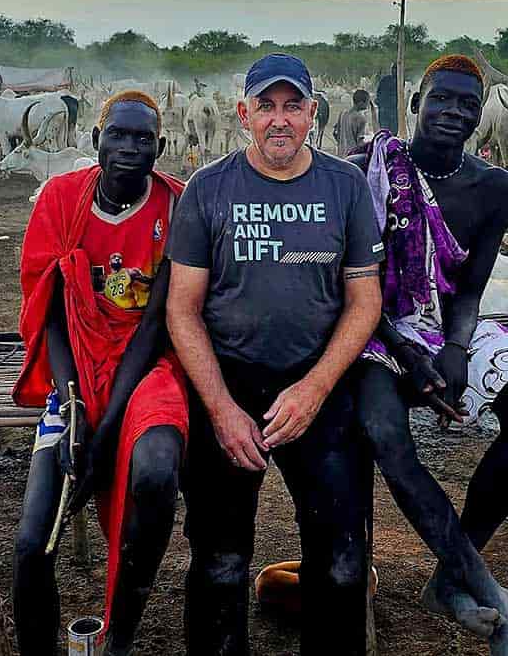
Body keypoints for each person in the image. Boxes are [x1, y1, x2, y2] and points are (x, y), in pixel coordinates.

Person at [166, 52, 384, 656]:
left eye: (293, 106)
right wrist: (219, 408)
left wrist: (315, 389)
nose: (279, 120)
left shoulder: (344, 187)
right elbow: (182, 309)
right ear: (243, 115)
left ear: (313, 113)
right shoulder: (209, 189)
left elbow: (364, 301)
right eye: (266, 106)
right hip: (230, 387)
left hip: (317, 387)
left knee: (340, 558)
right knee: (220, 560)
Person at [354, 54, 508, 654]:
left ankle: (449, 577)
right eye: (441, 99)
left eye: (468, 104)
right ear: (418, 101)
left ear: (480, 115)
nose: (453, 112)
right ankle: (481, 580)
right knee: (384, 433)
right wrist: (411, 356)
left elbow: (468, 289)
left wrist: (459, 349)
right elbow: (356, 281)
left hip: (445, 322)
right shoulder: (368, 169)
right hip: (376, 326)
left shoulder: (496, 188)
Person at [12, 91, 189, 656]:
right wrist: (71, 407)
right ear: (96, 141)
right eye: (119, 135)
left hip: (149, 366)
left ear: (159, 148)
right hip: (73, 369)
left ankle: (121, 637)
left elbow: (158, 322)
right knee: (30, 544)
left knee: (157, 474)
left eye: (143, 139)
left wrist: (107, 428)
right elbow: (51, 313)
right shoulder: (62, 200)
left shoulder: (176, 206)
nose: (130, 148)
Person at [335, 88, 372, 156]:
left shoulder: (343, 113)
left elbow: (336, 133)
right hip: (353, 156)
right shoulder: (361, 118)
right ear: (361, 103)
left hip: (341, 154)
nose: (368, 105)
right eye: (367, 102)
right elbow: (360, 142)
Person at [375, 62, 398, 132]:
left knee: (393, 131)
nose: (394, 71)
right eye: (393, 68)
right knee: (385, 130)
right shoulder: (385, 80)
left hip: (392, 110)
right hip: (385, 110)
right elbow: (378, 93)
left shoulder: (400, 81)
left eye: (396, 69)